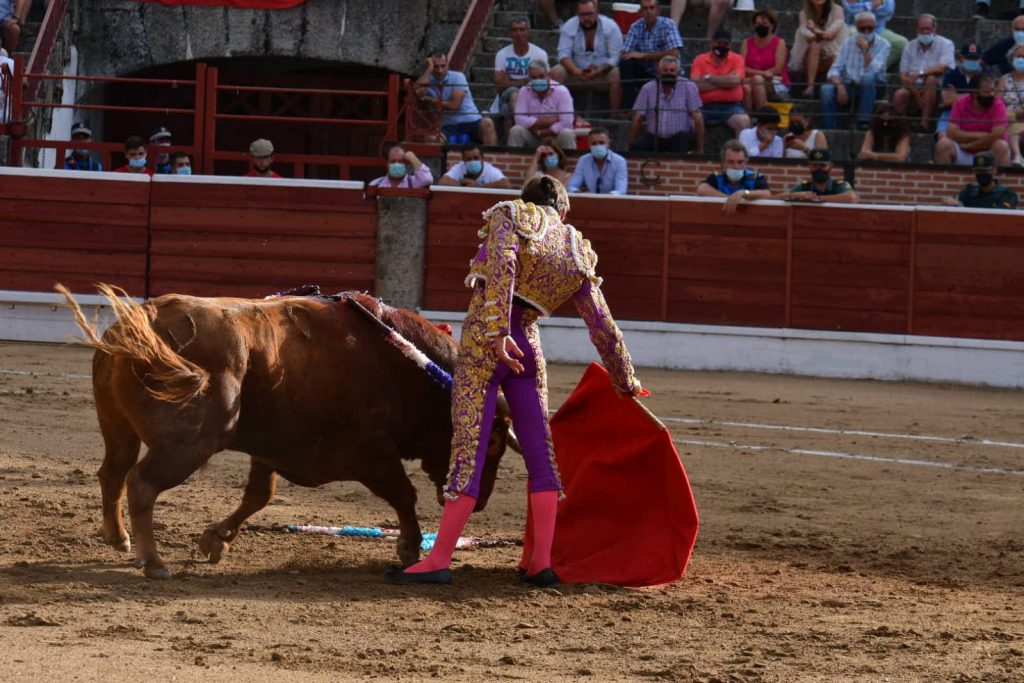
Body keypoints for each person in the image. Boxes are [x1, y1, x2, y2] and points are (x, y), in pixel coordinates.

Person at [384, 175, 642, 587]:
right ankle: (540, 562)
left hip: (489, 341)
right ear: (564, 209)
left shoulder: (510, 213)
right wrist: (624, 376)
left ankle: (439, 560)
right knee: (541, 454)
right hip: (530, 347)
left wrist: (499, 330)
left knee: (468, 451)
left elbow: (502, 267)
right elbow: (600, 321)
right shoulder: (576, 245)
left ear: (526, 200)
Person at [550, 1, 624, 115]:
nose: (586, 18)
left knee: (616, 73)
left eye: (589, 14)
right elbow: (563, 54)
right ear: (577, 14)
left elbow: (615, 57)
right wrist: (576, 71)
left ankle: (614, 116)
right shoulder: (569, 25)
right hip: (576, 74)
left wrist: (599, 71)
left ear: (597, 12)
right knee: (556, 72)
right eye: (582, 14)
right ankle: (557, 114)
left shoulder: (611, 26)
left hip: (602, 75)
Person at [820, 11, 890, 130]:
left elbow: (874, 70)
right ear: (857, 28)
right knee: (826, 89)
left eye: (870, 28)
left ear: (875, 27)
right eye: (863, 29)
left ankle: (863, 121)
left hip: (873, 86)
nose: (867, 32)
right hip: (849, 84)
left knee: (867, 77)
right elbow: (834, 69)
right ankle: (830, 128)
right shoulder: (848, 43)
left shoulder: (884, 45)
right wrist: (840, 86)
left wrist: (866, 50)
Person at [415, 52, 498, 146]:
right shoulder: (428, 79)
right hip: (449, 127)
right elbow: (417, 92)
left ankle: (490, 160)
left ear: (448, 65)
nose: (440, 71)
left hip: (471, 122)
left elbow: (454, 105)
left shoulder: (458, 77)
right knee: (430, 139)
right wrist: (429, 69)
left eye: (443, 66)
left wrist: (430, 99)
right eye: (435, 66)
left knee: (487, 123)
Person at [628, 55, 704, 153]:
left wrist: (700, 149)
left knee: (682, 141)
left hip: (679, 138)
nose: (669, 73)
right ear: (658, 72)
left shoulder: (688, 86)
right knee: (638, 147)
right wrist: (631, 145)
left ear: (678, 72)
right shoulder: (647, 88)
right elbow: (637, 118)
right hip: (655, 137)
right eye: (665, 70)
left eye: (672, 71)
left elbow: (698, 117)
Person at [891, 14, 954, 133]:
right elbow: (903, 76)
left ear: (935, 30)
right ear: (917, 30)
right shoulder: (910, 46)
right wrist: (915, 93)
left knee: (930, 79)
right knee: (900, 94)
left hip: (937, 90)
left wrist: (920, 73)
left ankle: (924, 123)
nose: (925, 32)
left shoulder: (946, 44)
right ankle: (901, 128)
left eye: (928, 29)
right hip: (913, 88)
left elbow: (942, 67)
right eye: (922, 29)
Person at [934, 73, 1011, 166]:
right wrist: (981, 135)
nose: (992, 95)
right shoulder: (960, 103)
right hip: (963, 152)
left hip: (988, 152)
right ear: (974, 93)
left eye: (993, 90)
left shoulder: (998, 104)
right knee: (943, 144)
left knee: (1001, 146)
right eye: (987, 92)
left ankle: (1000, 180)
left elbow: (997, 135)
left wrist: (969, 145)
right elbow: (952, 133)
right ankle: (944, 180)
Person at [619, 0, 683, 110]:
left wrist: (644, 56)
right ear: (640, 12)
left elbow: (675, 53)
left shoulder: (668, 24)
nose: (649, 12)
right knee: (625, 63)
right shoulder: (635, 27)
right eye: (645, 8)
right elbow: (626, 53)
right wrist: (637, 56)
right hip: (646, 73)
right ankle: (628, 107)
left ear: (658, 10)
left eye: (652, 8)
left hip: (667, 74)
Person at [493, 17, 550, 133]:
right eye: (515, 30)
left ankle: (512, 141)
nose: (518, 33)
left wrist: (510, 80)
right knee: (514, 93)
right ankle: (528, 130)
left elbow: (545, 81)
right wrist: (524, 81)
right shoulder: (502, 54)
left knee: (506, 108)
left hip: (533, 93)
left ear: (528, 32)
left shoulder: (540, 53)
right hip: (508, 94)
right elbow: (498, 86)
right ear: (510, 33)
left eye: (522, 29)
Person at [691, 29, 751, 136]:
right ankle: (696, 150)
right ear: (712, 43)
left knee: (743, 121)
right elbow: (695, 85)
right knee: (690, 121)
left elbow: (734, 81)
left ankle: (739, 152)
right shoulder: (699, 59)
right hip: (703, 106)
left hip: (731, 106)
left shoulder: (737, 59)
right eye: (719, 43)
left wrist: (709, 77)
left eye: (725, 44)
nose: (722, 46)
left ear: (730, 45)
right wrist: (725, 83)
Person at [508, 59, 578, 151]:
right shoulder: (524, 91)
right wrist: (549, 121)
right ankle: (514, 163)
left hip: (555, 137)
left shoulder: (562, 91)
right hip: (533, 135)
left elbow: (566, 122)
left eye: (541, 76)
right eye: (534, 77)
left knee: (567, 133)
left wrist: (542, 132)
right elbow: (519, 119)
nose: (538, 80)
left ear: (549, 76)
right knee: (516, 131)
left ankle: (571, 165)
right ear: (529, 78)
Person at [789, 0, 848, 99]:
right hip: (810, 54)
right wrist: (815, 33)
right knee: (815, 44)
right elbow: (808, 36)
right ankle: (810, 86)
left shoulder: (837, 10)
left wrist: (814, 29)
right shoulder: (804, 13)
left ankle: (830, 89)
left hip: (831, 53)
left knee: (834, 57)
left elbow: (830, 34)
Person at [696, 139, 772, 214]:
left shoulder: (754, 177)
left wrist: (743, 193)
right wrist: (730, 198)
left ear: (745, 162)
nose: (736, 166)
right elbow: (702, 189)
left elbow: (766, 193)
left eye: (740, 162)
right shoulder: (717, 177)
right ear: (724, 163)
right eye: (731, 162)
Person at [741, 10, 790, 112]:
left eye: (764, 24)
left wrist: (760, 75)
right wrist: (761, 73)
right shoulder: (747, 42)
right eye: (758, 24)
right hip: (752, 78)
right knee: (748, 83)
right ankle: (748, 116)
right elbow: (741, 66)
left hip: (775, 80)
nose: (761, 26)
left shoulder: (779, 42)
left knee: (757, 80)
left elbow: (778, 68)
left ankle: (762, 115)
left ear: (771, 26)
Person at [841, 1, 906, 70]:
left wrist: (862, 8)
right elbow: (849, 10)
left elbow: (888, 11)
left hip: (878, 29)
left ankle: (872, 70)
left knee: (901, 43)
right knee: (853, 35)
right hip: (855, 27)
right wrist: (871, 5)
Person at [938, 43, 983, 140]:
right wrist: (976, 94)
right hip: (951, 112)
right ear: (961, 57)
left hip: (979, 113)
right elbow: (946, 100)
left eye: (975, 59)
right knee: (943, 137)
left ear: (980, 59)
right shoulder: (951, 74)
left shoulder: (985, 74)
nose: (972, 61)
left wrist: (956, 97)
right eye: (969, 58)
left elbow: (987, 98)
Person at [943, 151, 1018, 209]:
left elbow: (1000, 216)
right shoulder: (969, 192)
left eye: (985, 171)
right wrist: (951, 202)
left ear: (994, 170)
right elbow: (950, 201)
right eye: (978, 171)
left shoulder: (1006, 194)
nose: (981, 174)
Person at [779, 147, 857, 203]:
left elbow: (851, 198)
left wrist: (815, 198)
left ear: (830, 167)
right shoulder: (806, 186)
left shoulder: (838, 185)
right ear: (809, 166)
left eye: (822, 166)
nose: (818, 169)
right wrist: (795, 195)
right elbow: (779, 197)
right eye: (815, 165)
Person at [567, 127, 628, 194]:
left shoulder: (619, 161)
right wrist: (578, 193)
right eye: (594, 143)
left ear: (608, 143)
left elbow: (621, 190)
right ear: (589, 145)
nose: (598, 146)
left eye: (601, 143)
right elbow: (572, 186)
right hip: (590, 201)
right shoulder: (583, 160)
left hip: (612, 202)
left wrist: (604, 199)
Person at [439, 143, 512, 188]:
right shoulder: (459, 167)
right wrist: (463, 184)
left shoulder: (490, 170)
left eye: (476, 158)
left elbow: (506, 185)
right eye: (469, 159)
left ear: (482, 158)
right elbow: (442, 182)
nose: (472, 161)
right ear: (463, 160)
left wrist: (478, 185)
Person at [998, 43, 1024, 166]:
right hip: (1007, 122)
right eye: (1018, 56)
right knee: (1010, 126)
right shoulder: (1004, 79)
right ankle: (1017, 157)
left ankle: (1017, 157)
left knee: (1012, 125)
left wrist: (1012, 114)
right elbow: (998, 104)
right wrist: (1012, 115)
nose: (1021, 59)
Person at [369, 144, 433, 188]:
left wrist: (412, 158)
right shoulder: (376, 184)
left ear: (405, 164)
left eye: (400, 161)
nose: (397, 164)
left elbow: (427, 179)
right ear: (387, 164)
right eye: (393, 161)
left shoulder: (413, 183)